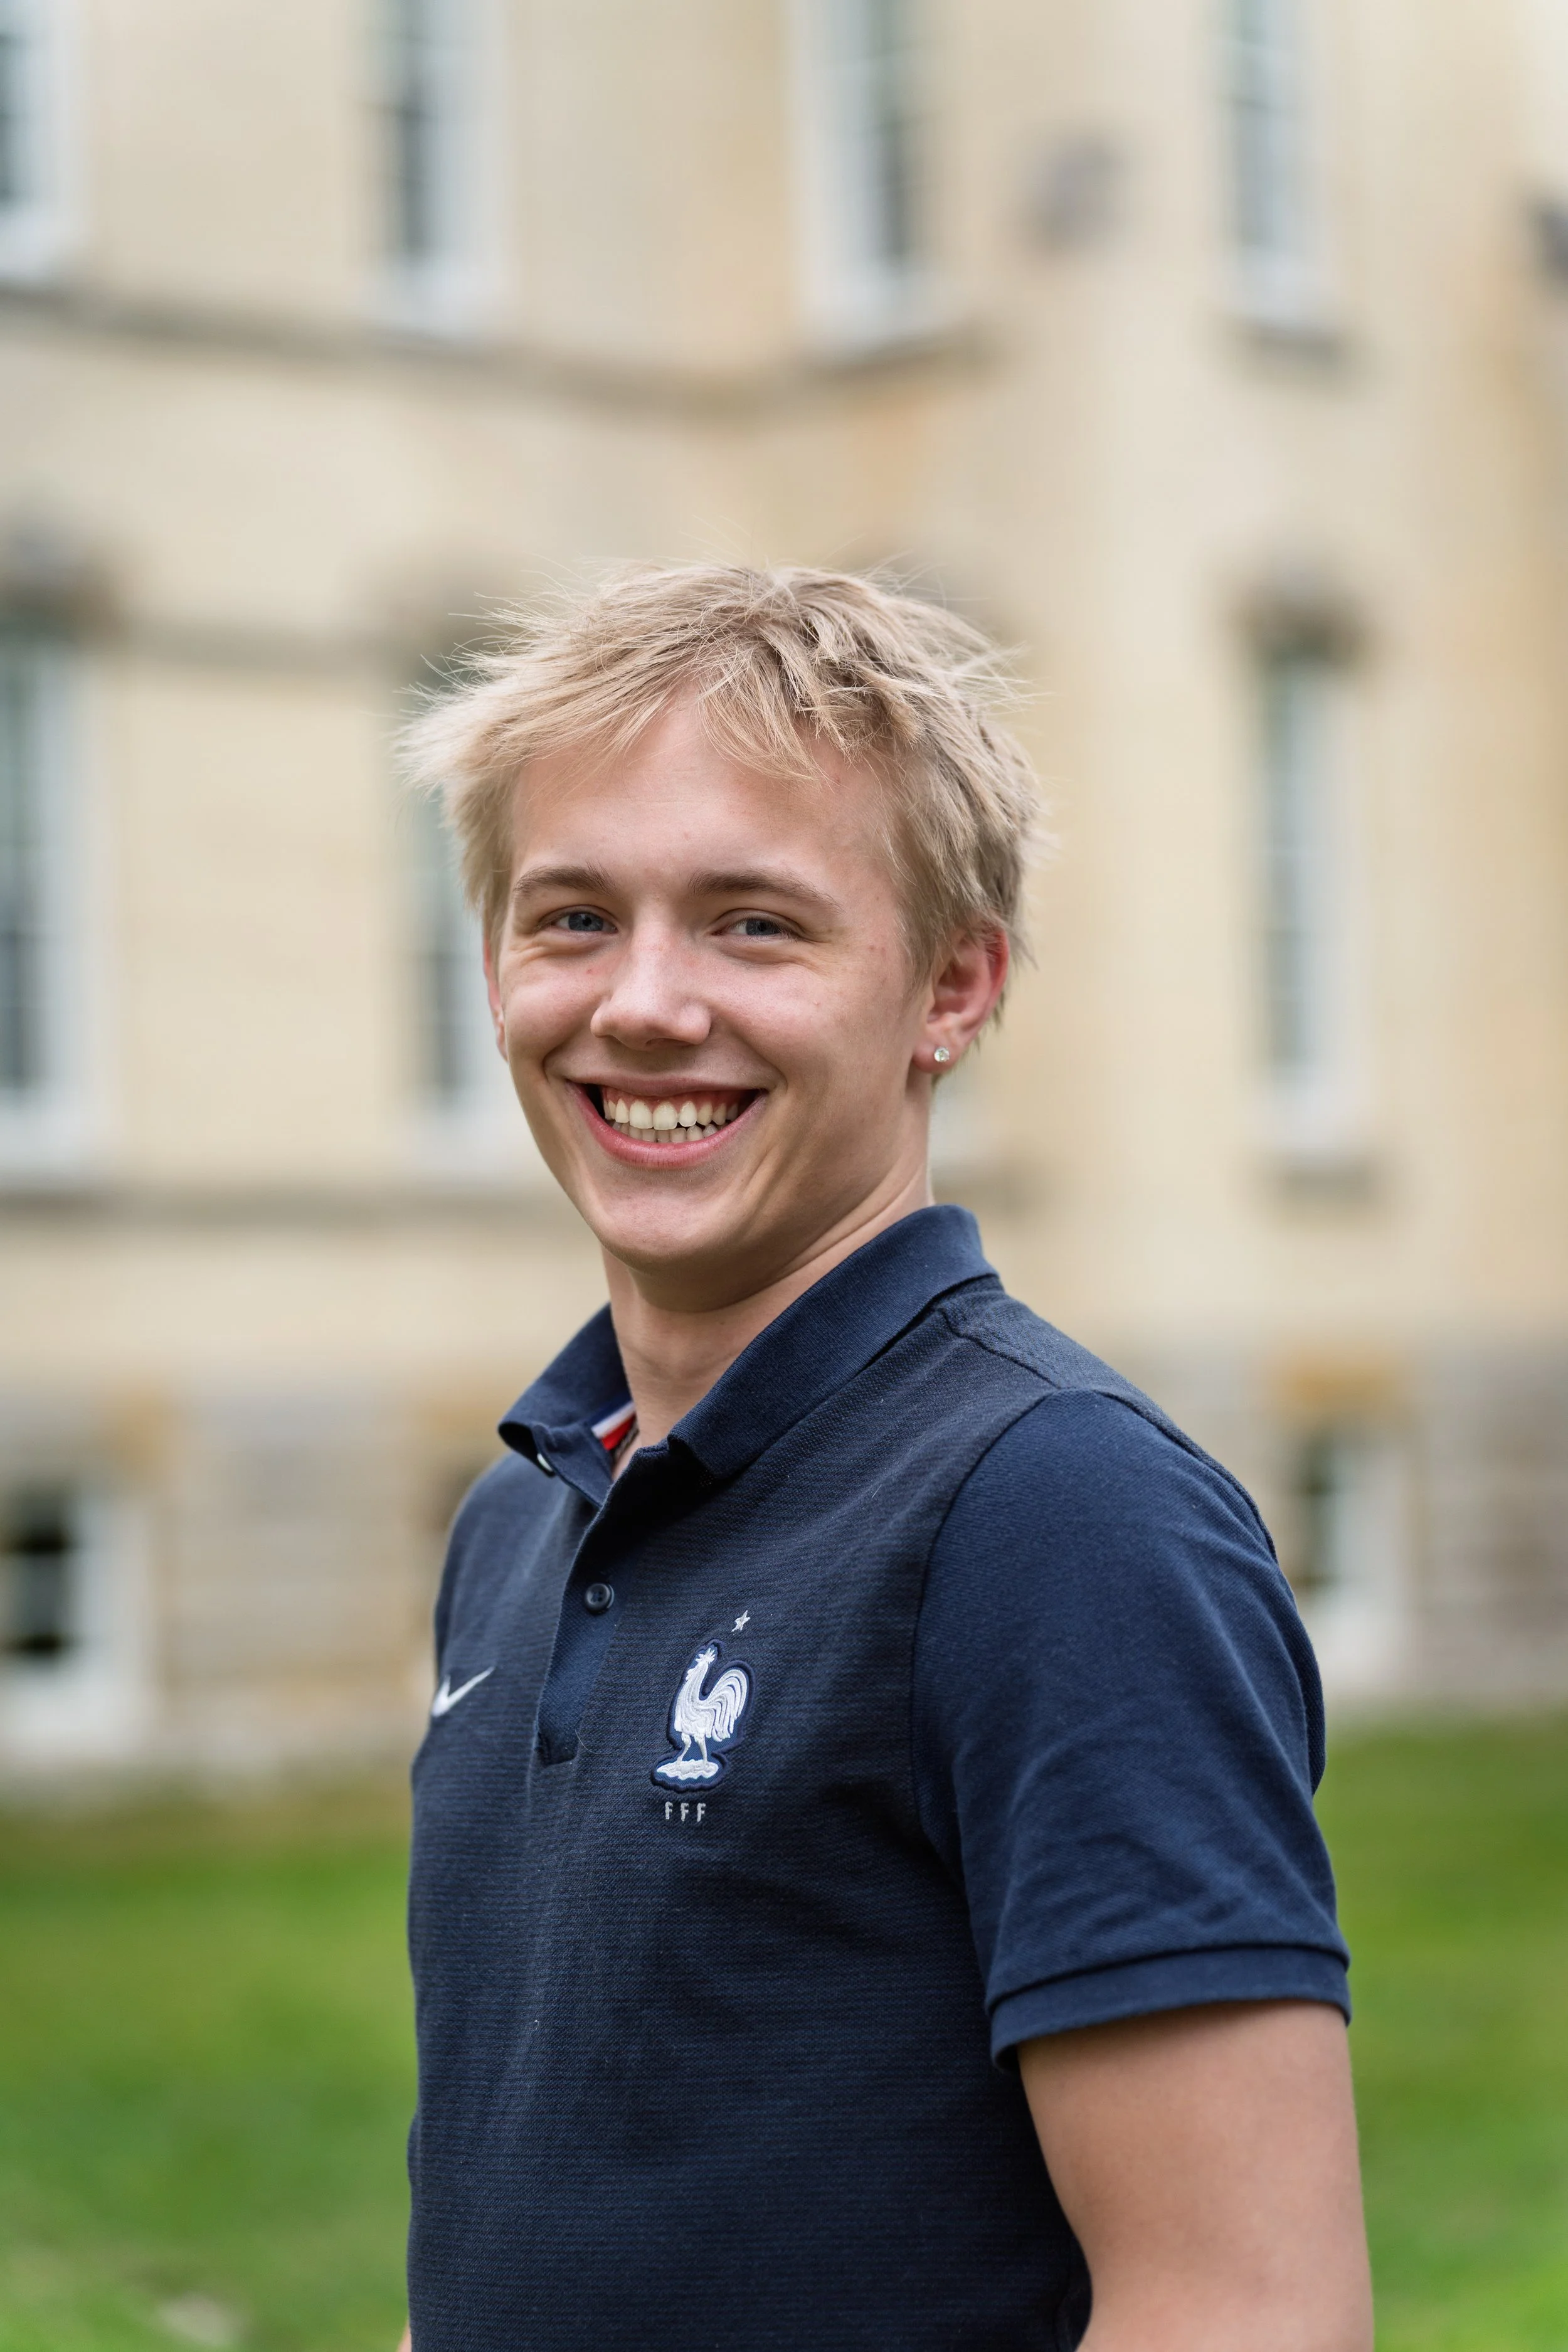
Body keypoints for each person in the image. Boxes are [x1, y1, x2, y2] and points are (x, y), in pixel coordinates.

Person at [393, 565, 1371, 2352]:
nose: (644, 1005)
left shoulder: (1056, 1515)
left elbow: (1244, 2308)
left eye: (754, 924)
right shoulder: (517, 1522)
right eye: (572, 919)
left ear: (951, 984)